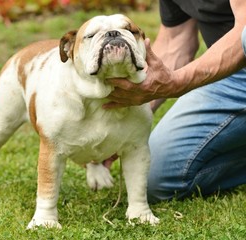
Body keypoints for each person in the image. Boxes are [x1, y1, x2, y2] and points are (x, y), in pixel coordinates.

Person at [104, 0, 246, 202]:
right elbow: (176, 41)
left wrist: (177, 82)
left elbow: (244, 31)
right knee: (154, 178)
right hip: (231, 78)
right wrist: (124, 119)